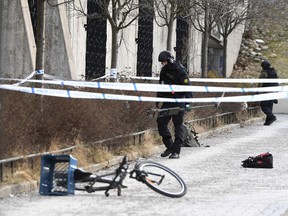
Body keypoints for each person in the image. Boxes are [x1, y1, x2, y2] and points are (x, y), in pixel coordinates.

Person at [156, 51, 193, 159]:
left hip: (178, 101)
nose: (163, 64)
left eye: (164, 62)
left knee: (178, 125)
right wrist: (158, 98)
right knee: (161, 122)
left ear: (170, 60)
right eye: (161, 63)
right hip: (167, 101)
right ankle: (169, 146)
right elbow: (161, 85)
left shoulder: (180, 71)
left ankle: (176, 151)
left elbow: (188, 87)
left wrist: (187, 103)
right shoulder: (163, 71)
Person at [259, 60, 278, 126]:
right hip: (273, 91)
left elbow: (260, 83)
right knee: (269, 107)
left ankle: (272, 117)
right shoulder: (274, 72)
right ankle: (268, 121)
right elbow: (276, 82)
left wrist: (258, 91)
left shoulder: (264, 73)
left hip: (266, 91)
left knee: (263, 105)